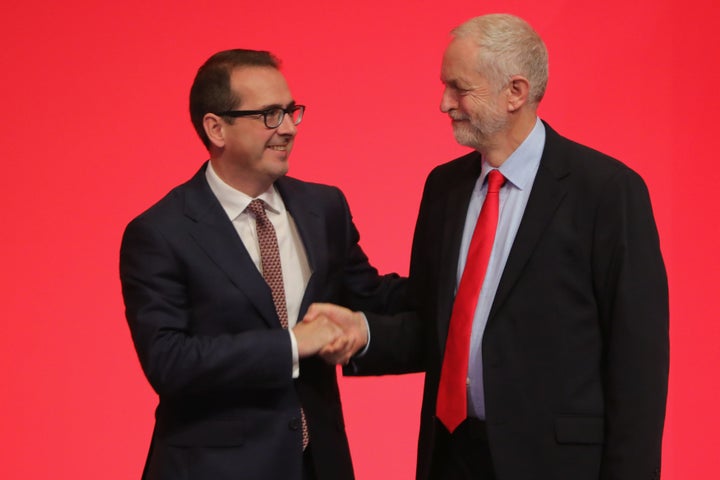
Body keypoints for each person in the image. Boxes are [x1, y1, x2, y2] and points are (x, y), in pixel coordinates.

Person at [306, 13, 669, 480]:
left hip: (556, 464)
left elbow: (637, 362)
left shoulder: (607, 191)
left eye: (459, 88)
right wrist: (364, 332)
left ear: (515, 92)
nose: (444, 103)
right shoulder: (444, 187)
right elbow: (435, 323)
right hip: (452, 457)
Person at [119, 49, 405, 480]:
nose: (288, 128)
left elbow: (373, 297)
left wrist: (463, 279)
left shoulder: (324, 207)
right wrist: (293, 344)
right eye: (270, 114)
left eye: (291, 111)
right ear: (216, 128)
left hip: (318, 465)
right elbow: (170, 361)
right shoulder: (161, 232)